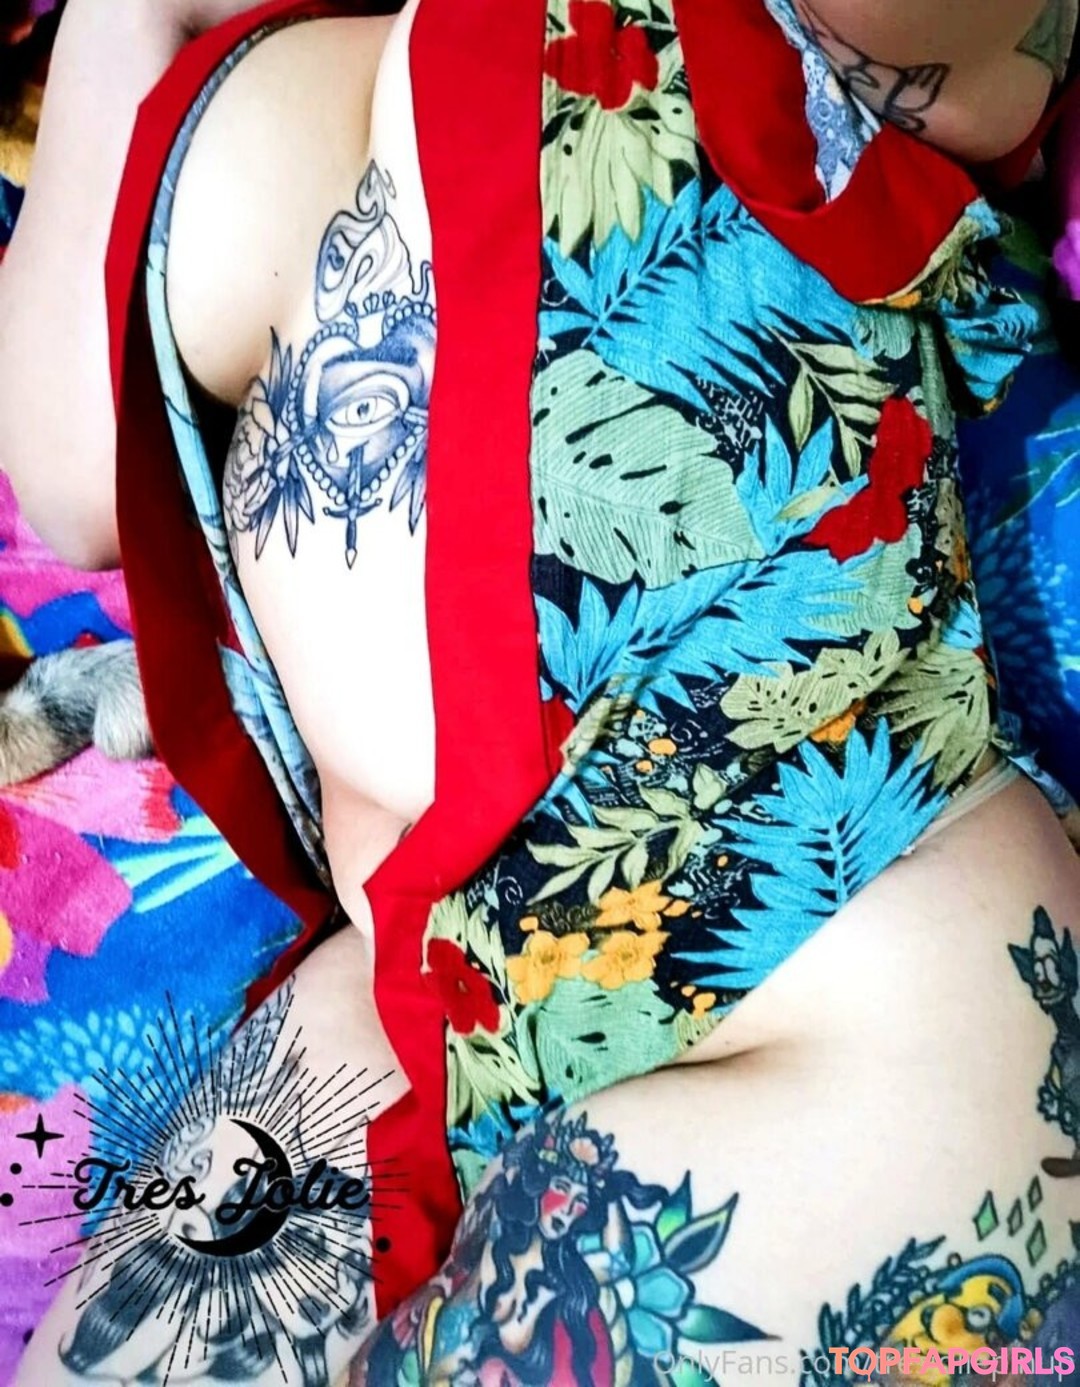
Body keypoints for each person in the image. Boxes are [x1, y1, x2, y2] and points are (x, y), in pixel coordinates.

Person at [3, 0, 1080, 1383]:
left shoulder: (751, 28)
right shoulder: (198, 48)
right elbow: (72, 480)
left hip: (852, 1002)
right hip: (421, 1012)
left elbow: (966, 50)